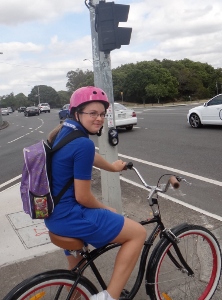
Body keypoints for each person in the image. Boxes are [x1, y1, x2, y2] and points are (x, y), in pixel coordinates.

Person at [45, 86, 146, 300]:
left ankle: (74, 294)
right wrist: (105, 207)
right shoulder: (82, 144)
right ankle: (110, 296)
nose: (99, 118)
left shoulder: (65, 133)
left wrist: (113, 167)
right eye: (92, 113)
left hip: (55, 217)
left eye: (102, 114)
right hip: (72, 216)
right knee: (137, 233)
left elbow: (88, 156)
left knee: (76, 277)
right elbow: (83, 197)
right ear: (77, 113)